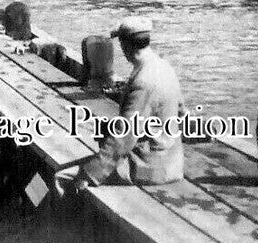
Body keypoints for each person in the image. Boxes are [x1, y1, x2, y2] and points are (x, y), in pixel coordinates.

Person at [56, 17, 184, 191]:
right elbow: (181, 112)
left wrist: (92, 173)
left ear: (125, 45)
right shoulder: (164, 67)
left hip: (150, 167)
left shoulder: (143, 81)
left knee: (62, 176)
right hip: (172, 161)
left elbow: (124, 137)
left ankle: (55, 218)